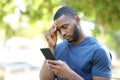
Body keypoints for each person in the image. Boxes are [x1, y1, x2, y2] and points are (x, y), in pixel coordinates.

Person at [40, 6, 112, 80]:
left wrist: (69, 75)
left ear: (77, 20)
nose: (62, 33)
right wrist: (51, 47)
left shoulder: (99, 51)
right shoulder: (58, 48)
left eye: (65, 27)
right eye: (59, 30)